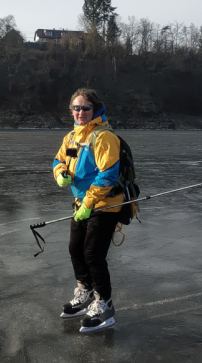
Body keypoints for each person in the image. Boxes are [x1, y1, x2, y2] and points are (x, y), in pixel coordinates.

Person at [52, 88, 123, 332]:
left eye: (85, 108)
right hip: (81, 204)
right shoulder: (73, 138)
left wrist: (89, 203)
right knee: (75, 249)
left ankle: (105, 304)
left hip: (105, 205)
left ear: (96, 109)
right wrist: (61, 172)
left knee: (93, 254)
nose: (80, 112)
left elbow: (108, 174)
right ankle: (85, 290)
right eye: (76, 107)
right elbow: (62, 159)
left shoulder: (103, 138)